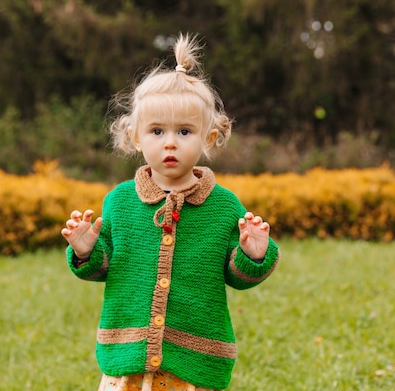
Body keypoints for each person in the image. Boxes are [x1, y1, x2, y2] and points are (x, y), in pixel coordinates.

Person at [61, 33, 280, 391]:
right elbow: (104, 268)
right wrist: (86, 250)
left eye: (184, 131)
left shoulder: (223, 206)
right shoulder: (119, 201)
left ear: (209, 138)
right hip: (127, 360)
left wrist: (252, 255)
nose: (170, 142)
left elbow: (238, 276)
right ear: (135, 137)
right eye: (157, 131)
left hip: (193, 363)